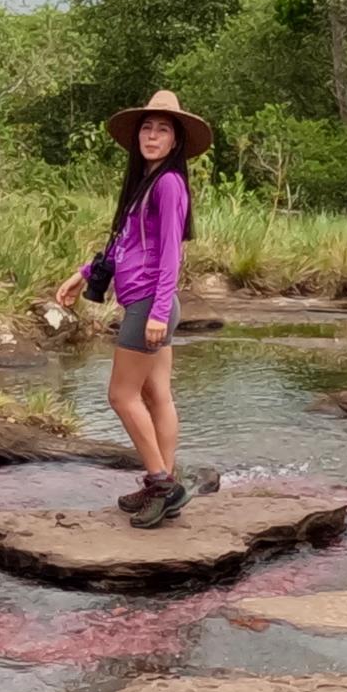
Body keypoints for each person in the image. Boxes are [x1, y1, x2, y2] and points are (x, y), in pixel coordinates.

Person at [55, 89, 210, 528]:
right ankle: (164, 486)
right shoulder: (146, 181)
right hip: (147, 300)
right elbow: (126, 245)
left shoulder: (168, 184)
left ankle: (162, 483)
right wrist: (83, 272)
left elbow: (168, 257)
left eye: (163, 129)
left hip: (149, 304)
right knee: (156, 394)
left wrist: (158, 311)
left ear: (176, 141)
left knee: (120, 396)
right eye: (147, 126)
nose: (152, 135)